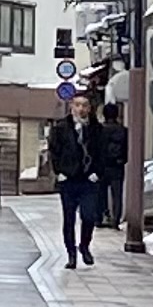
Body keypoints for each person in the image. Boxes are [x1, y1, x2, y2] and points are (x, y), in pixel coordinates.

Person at [48, 94, 104, 269]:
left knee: (89, 216)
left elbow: (102, 152)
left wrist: (97, 172)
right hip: (69, 179)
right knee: (69, 219)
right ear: (72, 106)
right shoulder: (60, 128)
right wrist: (59, 172)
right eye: (78, 105)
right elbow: (54, 151)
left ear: (89, 108)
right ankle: (71, 254)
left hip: (88, 180)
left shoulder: (96, 129)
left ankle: (85, 245)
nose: (81, 109)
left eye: (85, 105)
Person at [99, 102, 128, 229]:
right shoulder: (123, 131)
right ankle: (116, 220)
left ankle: (101, 217)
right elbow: (127, 149)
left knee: (100, 193)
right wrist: (122, 160)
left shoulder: (99, 130)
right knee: (117, 194)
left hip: (102, 166)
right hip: (117, 166)